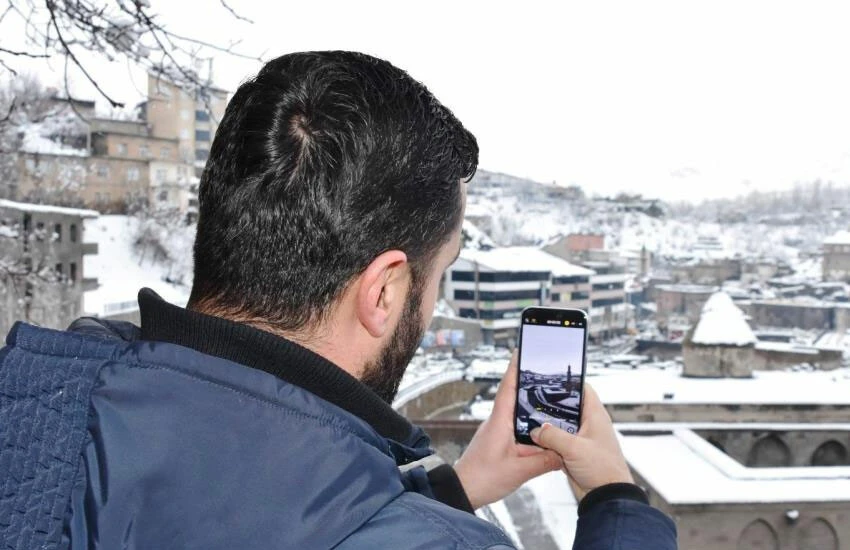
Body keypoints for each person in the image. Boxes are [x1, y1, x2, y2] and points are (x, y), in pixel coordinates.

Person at [0, 51, 677, 549]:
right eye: (440, 272)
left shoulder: (36, 403)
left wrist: (448, 493)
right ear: (383, 290)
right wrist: (615, 500)